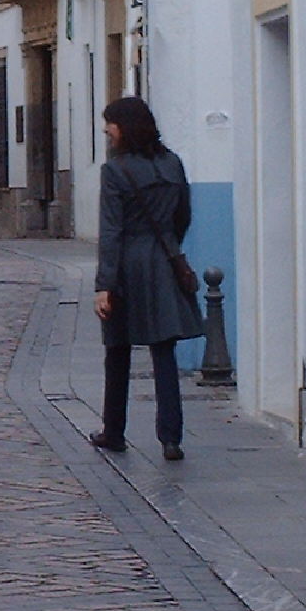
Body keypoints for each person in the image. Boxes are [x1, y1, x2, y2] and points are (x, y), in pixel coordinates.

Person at [94, 95, 202, 460]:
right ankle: (171, 437)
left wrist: (104, 285)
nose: (108, 132)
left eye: (111, 124)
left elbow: (111, 232)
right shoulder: (173, 164)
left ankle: (114, 430)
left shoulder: (115, 171)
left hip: (128, 264)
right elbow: (183, 215)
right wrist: (169, 246)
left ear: (124, 127)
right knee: (164, 350)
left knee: (118, 349)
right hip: (164, 260)